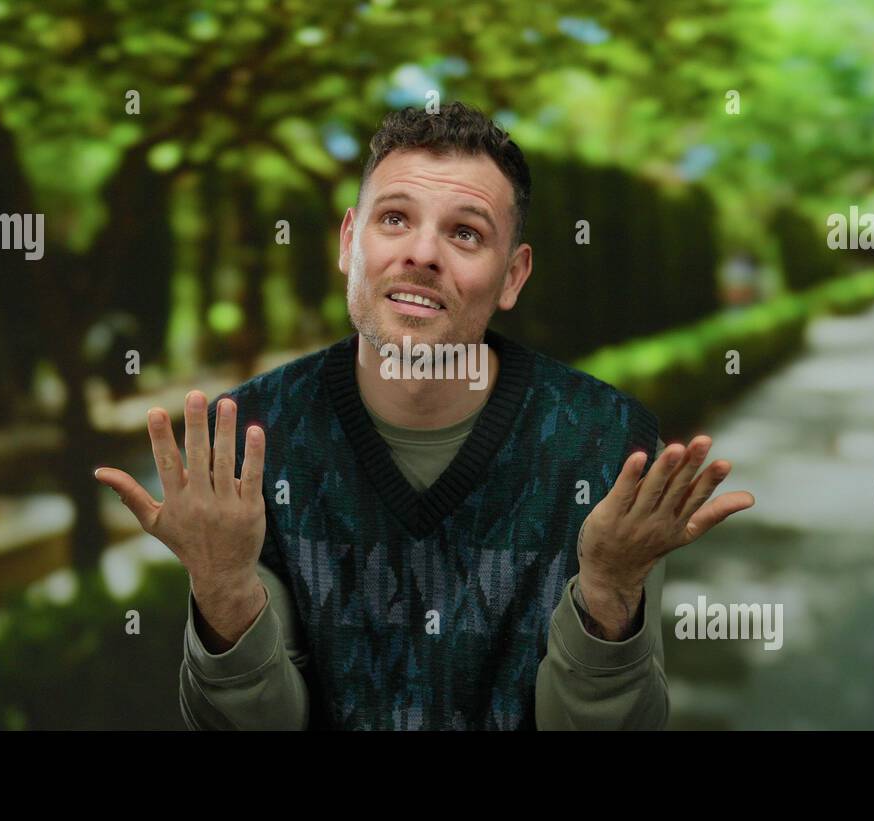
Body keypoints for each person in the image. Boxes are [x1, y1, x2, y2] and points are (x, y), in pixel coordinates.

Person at [94, 102, 755, 730]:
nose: (422, 253)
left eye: (465, 233)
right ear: (349, 241)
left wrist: (609, 594)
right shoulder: (255, 437)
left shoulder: (605, 444)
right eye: (394, 219)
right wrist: (223, 585)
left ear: (512, 277)